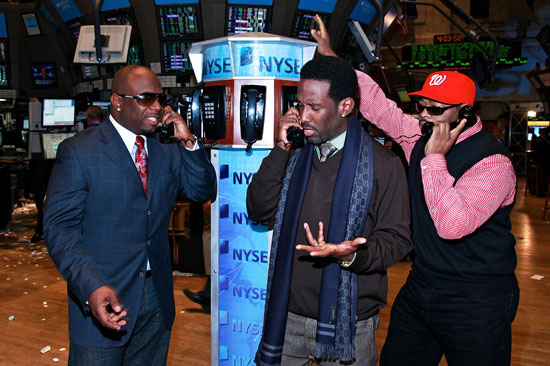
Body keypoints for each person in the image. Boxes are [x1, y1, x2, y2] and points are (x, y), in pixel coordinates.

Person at [312, 14, 519, 366]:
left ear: (465, 113)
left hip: (477, 298)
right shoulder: (418, 136)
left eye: (434, 109)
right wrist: (334, 60)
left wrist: (435, 160)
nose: (422, 115)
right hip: (422, 284)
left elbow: (453, 225)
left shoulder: (493, 164)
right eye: (420, 105)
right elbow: (379, 106)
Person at [43, 65, 217, 366]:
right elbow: (60, 228)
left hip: (157, 297)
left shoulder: (167, 149)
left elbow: (202, 190)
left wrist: (188, 141)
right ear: (117, 101)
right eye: (146, 98)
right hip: (104, 295)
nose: (157, 107)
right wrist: (91, 285)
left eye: (160, 99)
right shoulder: (80, 151)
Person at [248, 55, 412, 366]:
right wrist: (281, 148)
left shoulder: (384, 164)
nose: (302, 116)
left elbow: (398, 238)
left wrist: (351, 255)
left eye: (315, 107)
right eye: (299, 105)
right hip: (287, 315)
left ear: (345, 106)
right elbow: (258, 209)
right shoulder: (293, 153)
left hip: (350, 322)